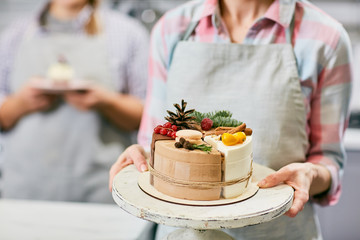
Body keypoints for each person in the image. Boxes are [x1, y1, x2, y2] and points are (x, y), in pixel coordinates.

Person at [109, 0, 352, 238]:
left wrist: (311, 173)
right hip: (180, 233)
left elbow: (328, 160)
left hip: (279, 232)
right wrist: (139, 155)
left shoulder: (325, 38)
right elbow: (154, 139)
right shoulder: (171, 29)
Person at [0, 0, 149, 203]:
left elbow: (147, 117)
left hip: (100, 191)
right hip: (24, 191)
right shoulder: (15, 34)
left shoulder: (128, 34)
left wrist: (106, 102)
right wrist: (20, 103)